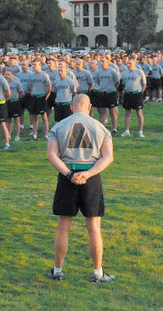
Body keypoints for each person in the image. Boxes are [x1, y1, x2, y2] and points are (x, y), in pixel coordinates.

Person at [46, 94, 115, 283]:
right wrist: (88, 174)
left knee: (63, 227)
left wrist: (69, 174)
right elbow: (108, 157)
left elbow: (51, 155)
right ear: (90, 107)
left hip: (67, 176)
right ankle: (98, 272)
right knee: (93, 228)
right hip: (90, 178)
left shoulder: (58, 126)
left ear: (71, 106)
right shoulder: (100, 127)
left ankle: (58, 270)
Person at [120, 58, 147, 137]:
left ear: (134, 64)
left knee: (139, 113)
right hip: (128, 94)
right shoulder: (125, 73)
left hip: (137, 94)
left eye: (130, 63)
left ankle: (140, 131)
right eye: (127, 63)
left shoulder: (139, 72)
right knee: (127, 113)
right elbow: (124, 84)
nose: (128, 65)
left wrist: (141, 93)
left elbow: (144, 84)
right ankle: (127, 131)